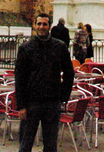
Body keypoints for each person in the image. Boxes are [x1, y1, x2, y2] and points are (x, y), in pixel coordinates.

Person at [14, 12, 74, 152]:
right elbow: (19, 78)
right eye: (39, 24)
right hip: (31, 103)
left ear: (49, 26)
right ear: (35, 25)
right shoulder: (26, 48)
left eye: (45, 24)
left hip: (51, 102)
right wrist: (21, 105)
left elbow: (69, 73)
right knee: (25, 145)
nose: (42, 27)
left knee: (50, 146)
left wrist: (63, 96)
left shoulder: (59, 47)